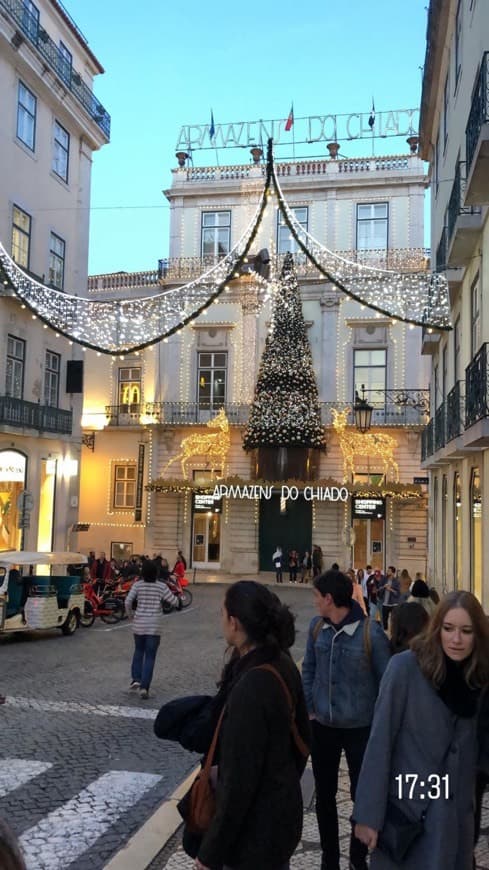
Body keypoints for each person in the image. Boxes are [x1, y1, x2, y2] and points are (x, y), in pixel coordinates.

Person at [353, 590, 489, 870]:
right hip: (409, 816)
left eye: (466, 631)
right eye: (449, 628)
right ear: (437, 628)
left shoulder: (479, 679)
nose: (456, 639)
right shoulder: (405, 668)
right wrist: (368, 815)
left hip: (456, 822)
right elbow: (380, 741)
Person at [194, 580, 310, 870]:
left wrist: (209, 854)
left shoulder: (252, 685)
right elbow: (304, 736)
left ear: (235, 623)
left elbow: (237, 784)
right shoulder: (282, 661)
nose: (220, 620)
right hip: (281, 812)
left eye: (222, 613)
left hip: (254, 834)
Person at [302, 569, 391, 870]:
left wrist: (380, 724)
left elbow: (386, 683)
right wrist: (310, 709)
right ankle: (329, 858)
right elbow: (308, 671)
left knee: (361, 794)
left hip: (360, 729)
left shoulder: (371, 634)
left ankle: (356, 856)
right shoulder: (316, 628)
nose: (313, 601)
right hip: (323, 727)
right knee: (324, 796)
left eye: (316, 596)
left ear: (329, 598)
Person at [125, 559, 178, 699]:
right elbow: (173, 600)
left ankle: (136, 678)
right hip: (154, 625)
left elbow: (127, 601)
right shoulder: (161, 586)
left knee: (138, 651)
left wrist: (130, 615)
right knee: (150, 656)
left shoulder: (137, 585)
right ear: (156, 572)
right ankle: (144, 687)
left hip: (139, 624)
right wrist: (178, 601)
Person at [378, 565, 401, 630]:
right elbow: (379, 589)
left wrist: (390, 589)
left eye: (389, 571)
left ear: (393, 573)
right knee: (384, 620)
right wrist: (383, 587)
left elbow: (398, 593)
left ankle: (393, 633)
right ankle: (385, 633)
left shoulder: (396, 581)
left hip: (394, 604)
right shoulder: (384, 579)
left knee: (394, 620)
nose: (387, 572)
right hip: (385, 603)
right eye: (387, 570)